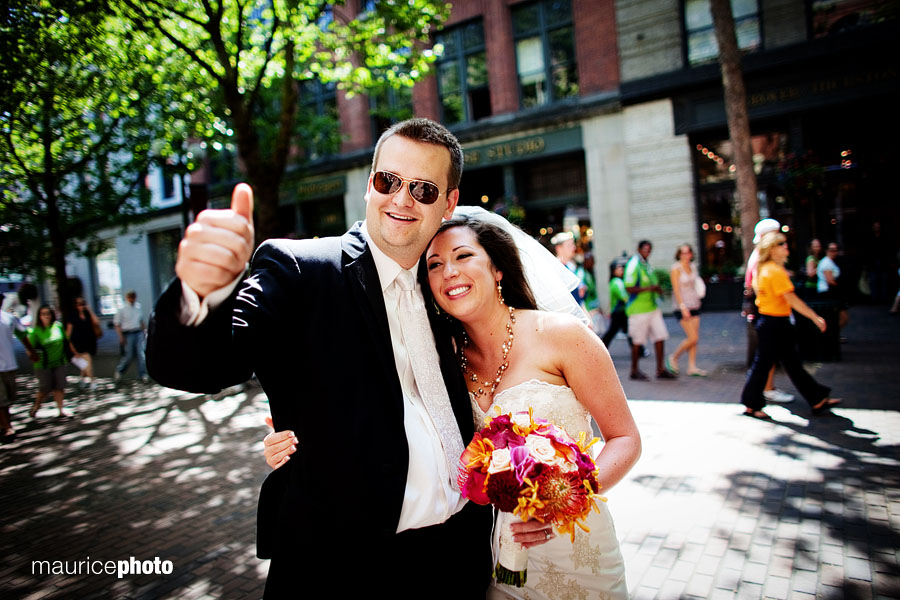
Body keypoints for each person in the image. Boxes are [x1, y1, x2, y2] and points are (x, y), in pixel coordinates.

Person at [144, 119, 529, 597]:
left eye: (424, 189)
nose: (401, 200)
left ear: (449, 202)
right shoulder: (299, 269)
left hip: (456, 561)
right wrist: (202, 293)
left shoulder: (446, 285)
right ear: (370, 184)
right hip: (339, 569)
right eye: (388, 181)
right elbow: (196, 367)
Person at [266, 217, 642, 598]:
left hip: (580, 552)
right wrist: (293, 433)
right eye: (434, 265)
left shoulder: (562, 335)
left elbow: (625, 438)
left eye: (463, 256)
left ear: (496, 267)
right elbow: (360, 398)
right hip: (503, 560)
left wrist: (561, 499)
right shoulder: (441, 358)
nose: (450, 272)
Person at [741, 232, 841, 419]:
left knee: (790, 364)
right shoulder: (774, 271)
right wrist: (814, 317)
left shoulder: (765, 269)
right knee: (764, 365)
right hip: (774, 323)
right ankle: (751, 405)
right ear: (772, 249)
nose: (786, 247)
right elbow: (792, 299)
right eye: (781, 244)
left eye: (785, 243)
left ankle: (816, 397)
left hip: (773, 322)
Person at [743, 219, 794, 404]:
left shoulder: (761, 256)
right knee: (765, 357)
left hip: (767, 310)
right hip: (766, 311)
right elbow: (757, 286)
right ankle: (765, 390)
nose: (783, 244)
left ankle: (762, 391)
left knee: (770, 356)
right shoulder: (761, 257)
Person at [623, 240, 676, 380]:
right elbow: (628, 288)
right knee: (638, 341)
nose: (648, 251)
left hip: (652, 308)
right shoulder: (634, 264)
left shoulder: (645, 264)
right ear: (639, 249)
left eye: (649, 249)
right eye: (645, 249)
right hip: (638, 310)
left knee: (660, 336)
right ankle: (634, 370)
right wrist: (650, 288)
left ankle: (660, 369)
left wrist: (656, 289)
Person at [27, 305, 76, 419]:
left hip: (59, 362)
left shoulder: (58, 326)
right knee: (45, 388)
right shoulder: (36, 331)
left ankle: (60, 410)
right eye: (43, 314)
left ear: (52, 315)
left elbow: (66, 341)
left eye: (48, 313)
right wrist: (31, 355)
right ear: (39, 316)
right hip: (43, 364)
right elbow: (30, 348)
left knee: (60, 387)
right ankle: (36, 407)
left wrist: (74, 352)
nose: (46, 316)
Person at [1, 294, 38, 439]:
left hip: (9, 365)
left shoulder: (9, 318)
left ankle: (3, 423)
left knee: (9, 398)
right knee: (1, 399)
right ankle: (8, 427)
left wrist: (31, 351)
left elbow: (23, 335)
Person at [667, 243, 707, 376]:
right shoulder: (675, 269)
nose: (686, 255)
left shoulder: (693, 266)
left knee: (695, 338)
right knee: (692, 337)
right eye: (683, 252)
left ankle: (692, 366)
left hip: (695, 304)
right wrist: (682, 307)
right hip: (682, 307)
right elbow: (676, 290)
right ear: (679, 254)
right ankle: (674, 357)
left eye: (688, 252)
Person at [66, 296, 102, 389]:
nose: (82, 306)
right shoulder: (72, 316)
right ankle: (92, 382)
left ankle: (82, 380)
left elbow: (96, 322)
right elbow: (68, 334)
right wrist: (72, 348)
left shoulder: (87, 314)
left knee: (84, 363)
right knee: (87, 363)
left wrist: (89, 309)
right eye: (79, 304)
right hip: (78, 344)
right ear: (75, 305)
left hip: (89, 342)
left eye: (83, 303)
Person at [113, 291, 148, 384]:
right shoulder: (122, 309)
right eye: (130, 297)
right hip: (128, 333)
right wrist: (120, 336)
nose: (132, 299)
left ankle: (142, 374)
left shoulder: (138, 307)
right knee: (129, 355)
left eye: (133, 297)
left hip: (138, 332)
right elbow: (117, 324)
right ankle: (120, 370)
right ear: (127, 298)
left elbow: (141, 321)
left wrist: (145, 330)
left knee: (141, 354)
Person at [817, 242, 850, 334]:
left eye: (836, 250)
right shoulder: (826, 263)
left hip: (831, 292)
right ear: (827, 250)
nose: (834, 252)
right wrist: (840, 286)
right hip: (828, 293)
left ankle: (833, 334)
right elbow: (830, 280)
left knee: (839, 317)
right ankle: (832, 334)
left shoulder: (829, 262)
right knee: (838, 317)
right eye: (832, 250)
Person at [551, 231, 588, 310]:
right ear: (559, 248)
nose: (573, 247)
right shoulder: (555, 269)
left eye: (573, 244)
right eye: (569, 245)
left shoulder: (571, 266)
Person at [601, 260, 629, 349]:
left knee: (628, 331)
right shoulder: (617, 282)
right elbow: (624, 297)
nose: (622, 270)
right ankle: (601, 347)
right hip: (619, 312)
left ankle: (640, 349)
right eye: (619, 268)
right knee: (612, 331)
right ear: (613, 270)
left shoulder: (616, 281)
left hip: (619, 312)